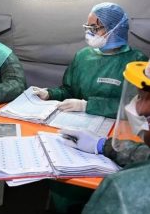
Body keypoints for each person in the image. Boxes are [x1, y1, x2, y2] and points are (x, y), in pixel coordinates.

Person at [60, 60, 150, 213]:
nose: (140, 109)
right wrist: (102, 144)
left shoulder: (123, 191)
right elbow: (145, 155)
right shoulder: (82, 56)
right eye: (140, 97)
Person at [33, 2, 148, 118]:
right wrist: (49, 94)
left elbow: (136, 106)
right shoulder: (83, 56)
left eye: (94, 28)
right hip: (77, 120)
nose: (89, 33)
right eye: (87, 27)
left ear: (115, 29)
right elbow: (69, 91)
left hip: (117, 126)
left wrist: (87, 106)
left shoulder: (136, 63)